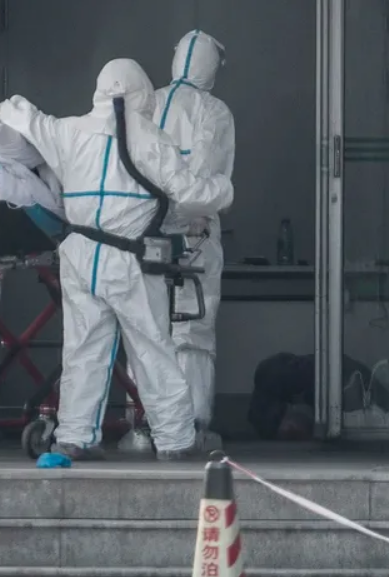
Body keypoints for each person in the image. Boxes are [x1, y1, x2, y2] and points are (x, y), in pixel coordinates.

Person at [0, 58, 234, 461]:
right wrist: (223, 189)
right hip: (129, 259)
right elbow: (189, 195)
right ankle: (175, 440)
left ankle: (75, 436)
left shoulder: (69, 130)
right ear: (140, 92)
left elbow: (28, 118)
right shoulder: (151, 140)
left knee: (83, 351)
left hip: (80, 255)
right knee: (152, 349)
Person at [153, 30, 235, 450]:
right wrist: (188, 219)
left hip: (144, 231)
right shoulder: (214, 111)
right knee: (192, 328)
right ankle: (192, 425)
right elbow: (203, 174)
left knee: (147, 326)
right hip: (195, 232)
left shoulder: (148, 103)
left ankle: (148, 423)